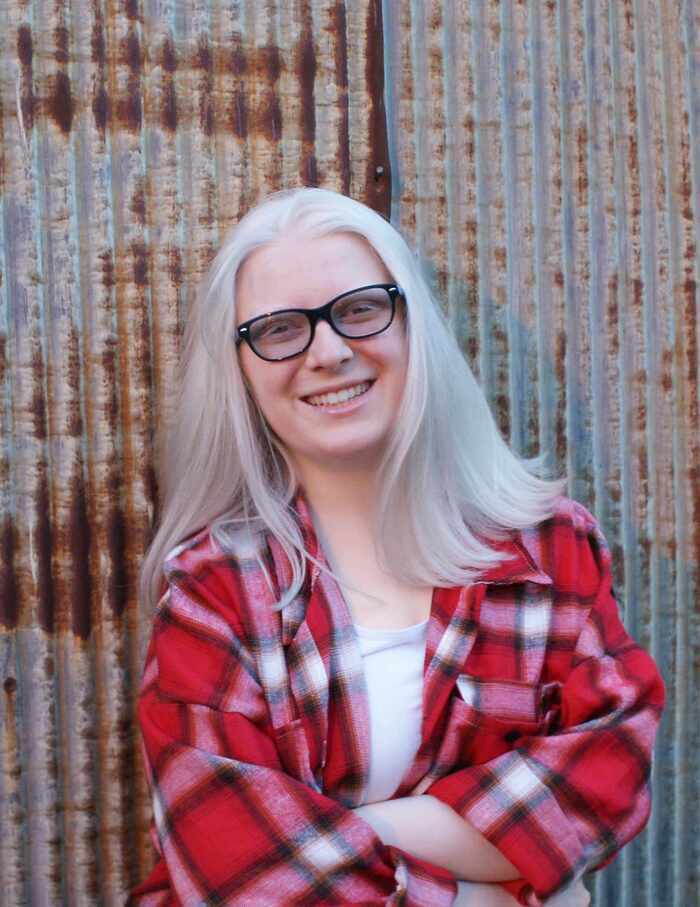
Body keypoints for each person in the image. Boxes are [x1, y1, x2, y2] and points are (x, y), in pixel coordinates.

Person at [130, 188, 664, 906]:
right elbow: (238, 868)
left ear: (414, 324)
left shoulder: (552, 548)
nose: (328, 352)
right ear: (240, 372)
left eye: (358, 310)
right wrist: (481, 897)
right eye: (280, 329)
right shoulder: (213, 590)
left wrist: (347, 831)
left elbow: (610, 771)